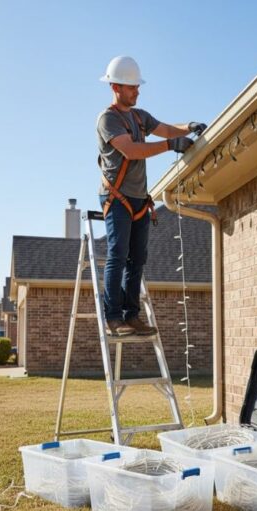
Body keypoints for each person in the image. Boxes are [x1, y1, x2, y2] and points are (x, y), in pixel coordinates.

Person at [97, 56, 206, 337]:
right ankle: (113, 318)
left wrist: (189, 127)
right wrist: (171, 145)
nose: (137, 91)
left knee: (137, 259)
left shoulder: (139, 116)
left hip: (138, 200)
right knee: (117, 256)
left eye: (137, 86)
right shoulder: (108, 119)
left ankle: (132, 315)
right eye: (132, 87)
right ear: (116, 87)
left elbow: (166, 129)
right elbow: (131, 150)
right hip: (118, 198)